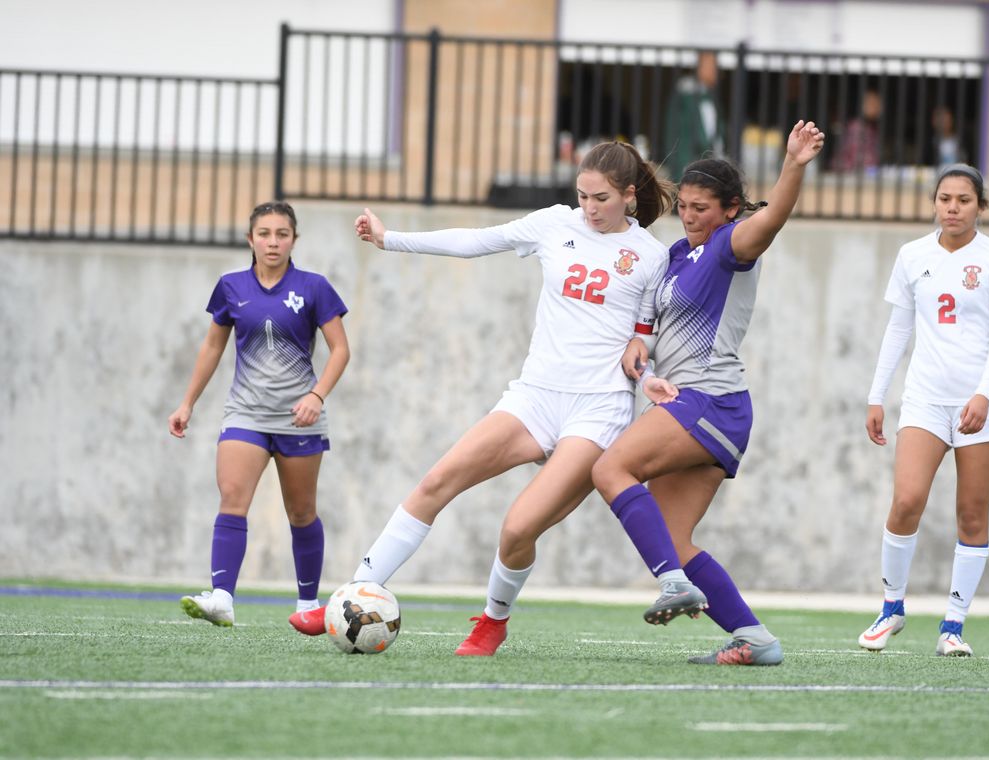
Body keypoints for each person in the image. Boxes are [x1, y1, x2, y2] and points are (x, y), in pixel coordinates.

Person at [289, 142, 675, 656]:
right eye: (581, 196)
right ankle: (349, 595)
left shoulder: (651, 253)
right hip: (535, 396)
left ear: (628, 196)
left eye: (600, 198)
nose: (588, 208)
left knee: (517, 528)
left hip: (598, 409)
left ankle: (493, 622)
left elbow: (644, 332)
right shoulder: (554, 224)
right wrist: (389, 239)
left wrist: (642, 356)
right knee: (435, 482)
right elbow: (474, 240)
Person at [590, 120, 826, 666]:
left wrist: (793, 165)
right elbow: (648, 324)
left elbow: (772, 220)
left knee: (609, 470)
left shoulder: (729, 245)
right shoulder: (677, 254)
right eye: (686, 207)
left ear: (730, 208)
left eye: (703, 208)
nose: (692, 217)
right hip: (693, 406)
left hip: (709, 402)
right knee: (674, 539)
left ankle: (672, 584)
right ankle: (757, 640)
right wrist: (638, 348)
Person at [857, 163, 989, 657]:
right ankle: (891, 609)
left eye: (964, 200)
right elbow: (898, 328)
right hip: (925, 399)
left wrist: (982, 394)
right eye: (945, 198)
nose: (952, 207)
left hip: (981, 404)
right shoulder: (912, 255)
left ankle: (953, 625)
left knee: (971, 515)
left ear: (981, 207)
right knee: (906, 500)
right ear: (934, 202)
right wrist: (876, 394)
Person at [168, 201, 350, 626]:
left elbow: (341, 350)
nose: (273, 242)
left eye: (281, 234)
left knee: (302, 513)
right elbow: (213, 346)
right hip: (245, 413)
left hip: (299, 417)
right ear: (250, 239)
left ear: (294, 240)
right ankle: (221, 598)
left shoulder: (314, 287)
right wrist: (187, 402)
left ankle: (308, 607)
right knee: (232, 497)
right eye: (264, 233)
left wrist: (317, 396)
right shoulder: (231, 286)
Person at [662, 50, 725, 180]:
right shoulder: (685, 94)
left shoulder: (711, 96)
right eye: (711, 66)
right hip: (688, 165)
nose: (715, 71)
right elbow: (678, 134)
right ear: (699, 67)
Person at [831, 89, 881, 173]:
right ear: (862, 105)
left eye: (878, 104)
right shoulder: (857, 128)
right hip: (848, 176)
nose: (876, 107)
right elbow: (860, 160)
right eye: (871, 103)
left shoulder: (871, 127)